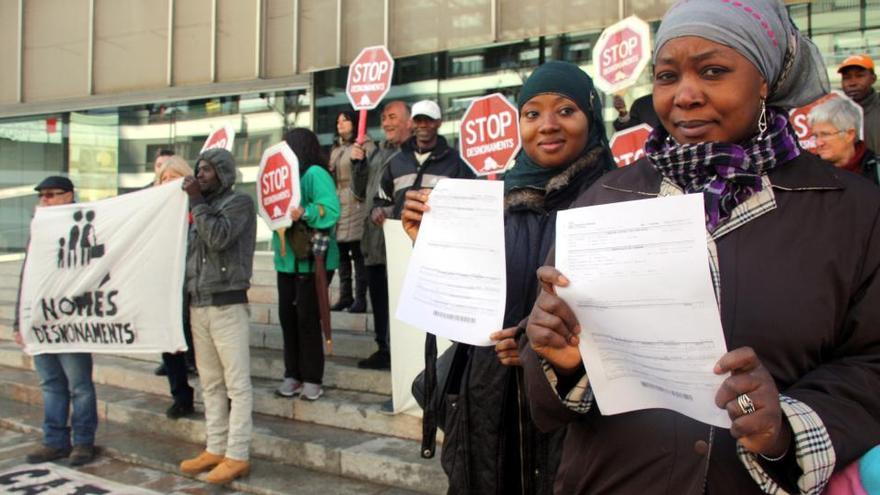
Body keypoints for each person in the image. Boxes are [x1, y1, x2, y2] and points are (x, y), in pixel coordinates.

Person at [522, 1, 880, 493]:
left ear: (765, 81)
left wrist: (783, 428)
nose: (685, 96)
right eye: (667, 77)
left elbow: (871, 364)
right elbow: (547, 374)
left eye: (713, 71)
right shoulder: (607, 198)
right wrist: (561, 359)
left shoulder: (852, 211)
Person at [401, 61, 615, 493]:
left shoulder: (616, 202)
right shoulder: (494, 201)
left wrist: (546, 351)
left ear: (591, 118)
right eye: (532, 113)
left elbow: (634, 324)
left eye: (566, 111)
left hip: (574, 422)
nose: (547, 125)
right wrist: (429, 244)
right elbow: (469, 305)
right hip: (488, 411)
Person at [179, 148, 256, 485]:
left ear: (223, 172)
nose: (199, 175)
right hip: (199, 303)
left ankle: (237, 454)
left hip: (227, 304)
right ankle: (215, 448)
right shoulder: (199, 207)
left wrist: (196, 201)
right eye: (198, 169)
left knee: (236, 385)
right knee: (210, 383)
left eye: (207, 170)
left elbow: (219, 237)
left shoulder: (238, 203)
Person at [13, 176, 98, 467]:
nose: (44, 200)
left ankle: (83, 442)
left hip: (72, 320)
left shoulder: (90, 222)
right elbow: (28, 277)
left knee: (79, 385)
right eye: (42, 196)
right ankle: (54, 441)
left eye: (51, 195)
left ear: (69, 196)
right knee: (50, 383)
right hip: (42, 319)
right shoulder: (39, 230)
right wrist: (18, 322)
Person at [273, 128, 341, 401]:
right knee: (288, 320)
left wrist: (307, 212)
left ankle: (312, 377)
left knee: (308, 320)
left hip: (312, 262)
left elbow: (331, 210)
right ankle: (293, 374)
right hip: (286, 261)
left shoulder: (314, 174)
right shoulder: (282, 177)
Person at [351, 101, 412, 371]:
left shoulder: (413, 156)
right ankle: (383, 347)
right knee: (378, 297)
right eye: (384, 117)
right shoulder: (376, 154)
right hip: (373, 242)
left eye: (392, 117)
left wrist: (392, 209)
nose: (386, 122)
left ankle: (400, 351)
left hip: (400, 245)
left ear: (410, 121)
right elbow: (360, 191)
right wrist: (359, 163)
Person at [152, 156, 198, 420]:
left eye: (173, 178)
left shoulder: (198, 207)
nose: (168, 184)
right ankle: (180, 396)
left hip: (193, 283)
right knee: (169, 344)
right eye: (163, 180)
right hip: (165, 284)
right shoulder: (155, 213)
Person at [375, 100, 475, 219]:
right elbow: (382, 200)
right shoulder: (396, 162)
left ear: (439, 123)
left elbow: (468, 202)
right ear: (411, 123)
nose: (423, 124)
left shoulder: (456, 161)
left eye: (429, 120)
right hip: (401, 234)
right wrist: (378, 211)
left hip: (440, 234)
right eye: (418, 120)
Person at [329, 111, 375, 313]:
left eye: (345, 120)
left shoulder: (364, 143)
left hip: (357, 199)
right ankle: (345, 295)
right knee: (341, 253)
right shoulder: (336, 147)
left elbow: (371, 167)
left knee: (358, 251)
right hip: (338, 200)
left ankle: (361, 298)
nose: (340, 124)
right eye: (338, 121)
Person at [809, 96, 880, 184]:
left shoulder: (876, 170)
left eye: (825, 134)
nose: (818, 143)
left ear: (850, 134)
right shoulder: (809, 172)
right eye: (816, 136)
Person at [838, 54, 880, 152]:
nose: (852, 83)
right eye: (846, 77)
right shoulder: (833, 111)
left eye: (859, 76)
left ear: (873, 79)